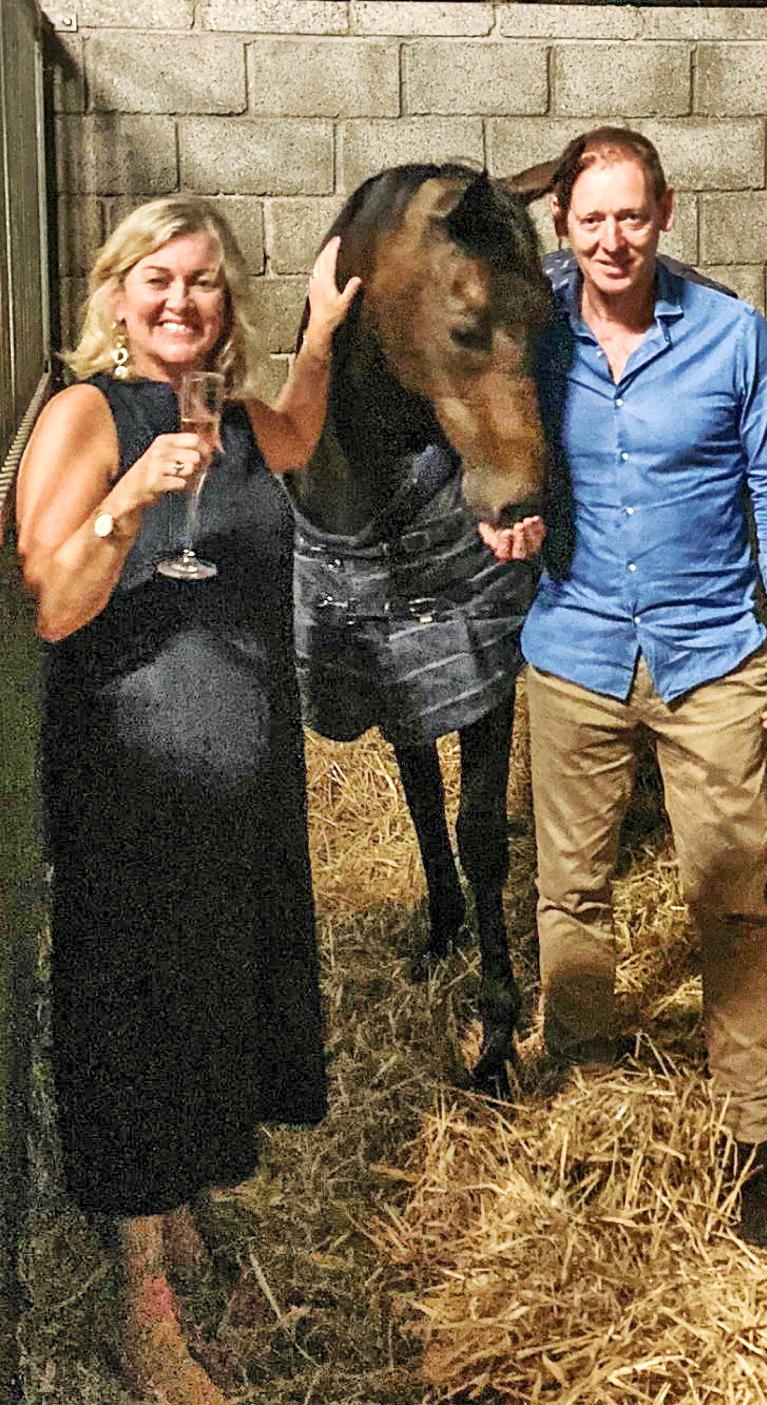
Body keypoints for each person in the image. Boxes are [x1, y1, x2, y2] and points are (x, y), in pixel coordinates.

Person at [15, 195, 360, 1405]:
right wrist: (127, 502)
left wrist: (322, 332)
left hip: (242, 784)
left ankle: (179, 1217)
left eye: (203, 281)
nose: (180, 301)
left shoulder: (240, 418)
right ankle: (144, 1314)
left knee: (216, 998)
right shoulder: (84, 413)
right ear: (116, 295)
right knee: (140, 1013)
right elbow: (52, 602)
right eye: (156, 279)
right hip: (135, 780)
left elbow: (300, 430)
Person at [481, 127, 767, 1249]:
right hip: (577, 649)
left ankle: (751, 1127)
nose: (610, 239)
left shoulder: (734, 338)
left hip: (710, 655)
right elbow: (483, 440)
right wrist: (500, 519)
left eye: (630, 215)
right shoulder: (527, 334)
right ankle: (583, 1091)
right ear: (562, 226)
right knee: (570, 890)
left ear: (663, 212)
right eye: (589, 219)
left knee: (730, 893)